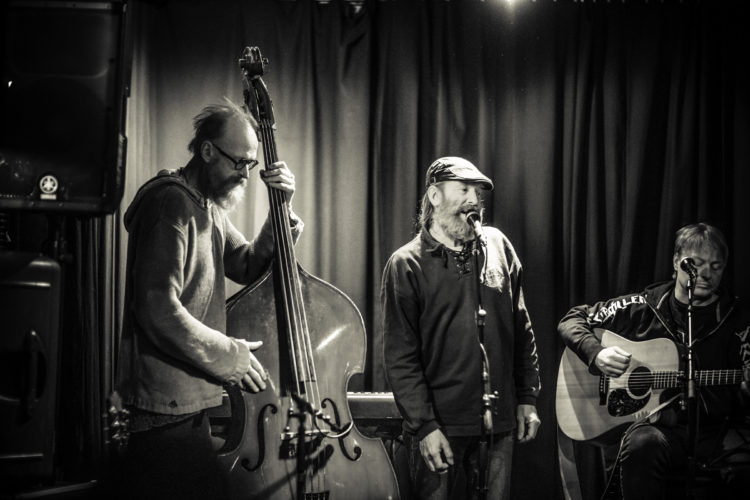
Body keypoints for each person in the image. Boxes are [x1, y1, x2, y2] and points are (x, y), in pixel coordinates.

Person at [111, 99, 302, 499]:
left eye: (251, 164)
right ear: (208, 150)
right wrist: (230, 355)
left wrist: (280, 210)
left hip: (187, 404)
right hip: (162, 410)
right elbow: (158, 309)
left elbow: (246, 264)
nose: (245, 175)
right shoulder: (171, 203)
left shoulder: (208, 207)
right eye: (239, 162)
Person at [381, 156, 541, 500]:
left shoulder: (497, 246)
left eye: (477, 193)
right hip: (439, 427)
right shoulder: (406, 263)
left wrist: (528, 396)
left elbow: (521, 327)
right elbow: (400, 356)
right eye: (464, 190)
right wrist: (424, 426)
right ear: (434, 196)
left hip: (497, 425)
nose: (474, 200)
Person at [558, 223, 750, 500]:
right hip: (659, 431)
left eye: (715, 266)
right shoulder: (644, 306)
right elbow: (573, 319)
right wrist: (596, 354)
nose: (706, 274)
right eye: (695, 264)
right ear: (676, 261)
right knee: (642, 443)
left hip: (715, 433)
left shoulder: (738, 318)